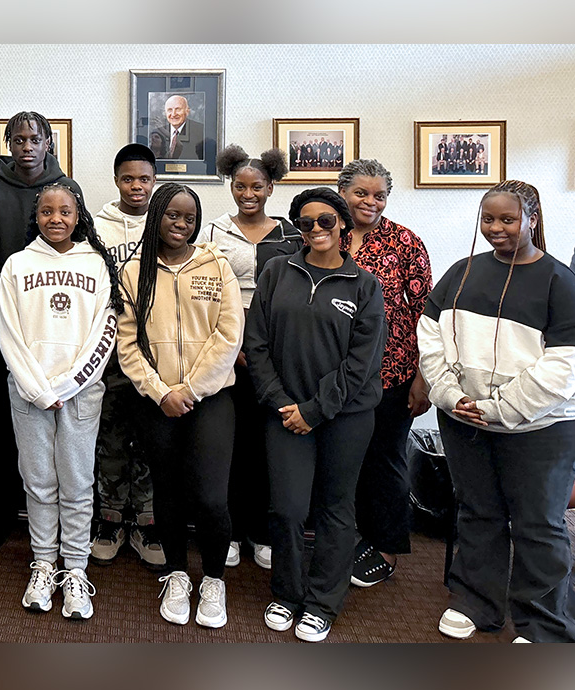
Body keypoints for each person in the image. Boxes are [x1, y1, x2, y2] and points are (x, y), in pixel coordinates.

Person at [419, 180, 575, 644]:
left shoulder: (559, 281)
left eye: (508, 219)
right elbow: (430, 338)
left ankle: (544, 625)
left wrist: (500, 408)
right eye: (488, 219)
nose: (496, 228)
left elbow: (565, 365)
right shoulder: (461, 272)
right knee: (477, 511)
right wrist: (449, 395)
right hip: (465, 418)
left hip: (538, 427)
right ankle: (475, 603)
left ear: (532, 220)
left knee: (538, 524)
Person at [244, 187, 385, 642]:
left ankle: (323, 602)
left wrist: (315, 409)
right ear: (297, 229)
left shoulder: (363, 285)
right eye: (306, 223)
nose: (317, 230)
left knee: (335, 509)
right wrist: (282, 402)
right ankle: (286, 594)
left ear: (343, 224)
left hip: (345, 416)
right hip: (284, 413)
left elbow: (362, 363)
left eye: (326, 221)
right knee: (286, 509)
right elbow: (257, 343)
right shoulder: (276, 272)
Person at [116, 183, 244, 627]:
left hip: (210, 399)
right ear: (156, 215)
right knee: (166, 493)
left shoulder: (216, 265)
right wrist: (160, 391)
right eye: (172, 215)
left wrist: (190, 389)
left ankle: (212, 579)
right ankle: (176, 574)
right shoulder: (133, 272)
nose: (181, 224)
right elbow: (127, 343)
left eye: (189, 217)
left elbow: (228, 336)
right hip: (157, 401)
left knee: (210, 497)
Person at [0, 184, 123, 621]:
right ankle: (43, 565)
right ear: (36, 216)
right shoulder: (17, 264)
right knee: (37, 482)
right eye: (47, 211)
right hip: (30, 393)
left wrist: (69, 384)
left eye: (65, 211)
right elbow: (9, 333)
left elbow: (105, 332)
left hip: (80, 392)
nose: (56, 218)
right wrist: (37, 388)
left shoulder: (96, 263)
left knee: (76, 483)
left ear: (78, 215)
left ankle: (74, 570)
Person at [0, 111, 81, 551]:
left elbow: (78, 250)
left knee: (54, 427)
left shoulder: (67, 189)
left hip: (55, 333)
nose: (26, 147)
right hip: (4, 329)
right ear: (8, 144)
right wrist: (0, 317)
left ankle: (58, 528)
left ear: (49, 142)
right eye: (17, 140)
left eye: (35, 139)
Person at [200, 144, 301, 571]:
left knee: (268, 446)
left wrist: (260, 350)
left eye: (256, 186)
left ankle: (261, 532)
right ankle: (230, 532)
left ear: (271, 187)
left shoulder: (293, 234)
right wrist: (233, 347)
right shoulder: (212, 231)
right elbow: (205, 291)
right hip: (226, 349)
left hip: (276, 352)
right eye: (240, 186)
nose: (247, 193)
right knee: (230, 447)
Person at [335, 160, 433, 589]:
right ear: (343, 192)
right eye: (361, 193)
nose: (370, 202)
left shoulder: (405, 243)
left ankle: (388, 548)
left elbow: (428, 316)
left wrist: (423, 377)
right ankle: (352, 535)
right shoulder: (324, 234)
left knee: (385, 460)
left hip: (391, 375)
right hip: (334, 377)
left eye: (379, 195)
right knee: (343, 460)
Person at [89, 143, 163, 570]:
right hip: (111, 348)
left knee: (152, 435)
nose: (136, 187)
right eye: (128, 179)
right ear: (117, 180)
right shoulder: (98, 225)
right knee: (112, 433)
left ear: (153, 181)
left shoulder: (167, 219)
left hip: (157, 348)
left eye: (144, 179)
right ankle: (112, 518)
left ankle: (148, 521)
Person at [152, 95, 204, 160]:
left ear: (187, 111)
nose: (173, 114)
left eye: (178, 109)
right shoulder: (158, 133)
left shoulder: (201, 131)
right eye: (170, 110)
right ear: (165, 113)